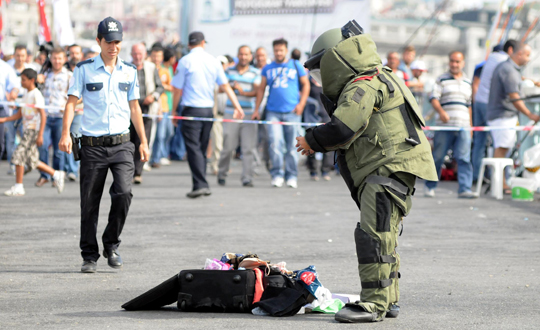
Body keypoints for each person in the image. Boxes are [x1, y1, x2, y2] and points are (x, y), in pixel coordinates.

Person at [297, 21, 437, 322]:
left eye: (322, 69)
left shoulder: (362, 84)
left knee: (372, 236)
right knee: (384, 236)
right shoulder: (380, 76)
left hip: (386, 168)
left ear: (338, 59)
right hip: (395, 168)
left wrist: (310, 140)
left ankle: (373, 304)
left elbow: (343, 127)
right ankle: (388, 299)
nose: (322, 79)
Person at [58, 17, 149, 273]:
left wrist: (143, 141)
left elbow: (135, 108)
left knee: (123, 193)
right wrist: (65, 134)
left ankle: (111, 244)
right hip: (93, 146)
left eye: (117, 41)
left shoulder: (129, 71)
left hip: (122, 144)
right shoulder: (84, 69)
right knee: (89, 202)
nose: (113, 46)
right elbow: (71, 103)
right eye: (109, 41)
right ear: (99, 41)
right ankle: (89, 255)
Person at [171, 31, 244, 198]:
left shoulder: (185, 61)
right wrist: (237, 106)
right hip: (208, 111)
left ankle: (201, 184)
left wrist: (174, 111)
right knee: (202, 148)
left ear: (189, 45)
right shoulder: (213, 61)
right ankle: (199, 183)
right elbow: (225, 86)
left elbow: (177, 90)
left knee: (194, 148)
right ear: (203, 43)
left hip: (191, 109)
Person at [253, 38, 310, 188]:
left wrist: (301, 105)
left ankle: (291, 175)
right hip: (273, 112)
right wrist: (256, 110)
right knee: (275, 143)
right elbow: (261, 89)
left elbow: (306, 85)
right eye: (276, 50)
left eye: (281, 50)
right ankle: (277, 174)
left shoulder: (295, 65)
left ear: (286, 50)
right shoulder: (267, 68)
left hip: (292, 112)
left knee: (292, 145)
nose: (278, 53)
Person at [1, 69, 65, 196]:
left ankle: (19, 186)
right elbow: (20, 113)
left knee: (18, 156)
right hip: (26, 129)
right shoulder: (26, 94)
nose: (21, 82)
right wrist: (4, 119)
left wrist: (40, 134)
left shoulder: (36, 95)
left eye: (23, 80)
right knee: (33, 160)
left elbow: (43, 114)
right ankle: (56, 174)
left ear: (32, 80)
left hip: (32, 130)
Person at [487, 42, 540, 194]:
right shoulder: (508, 69)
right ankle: (500, 185)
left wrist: (532, 81)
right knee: (502, 149)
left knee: (503, 149)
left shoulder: (508, 68)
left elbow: (515, 79)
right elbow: (514, 97)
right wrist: (530, 114)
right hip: (502, 115)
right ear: (516, 53)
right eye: (527, 54)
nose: (528, 59)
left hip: (499, 114)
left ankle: (500, 184)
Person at [424, 51, 476, 199]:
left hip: (463, 126)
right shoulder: (441, 79)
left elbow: (469, 106)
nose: (454, 64)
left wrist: (471, 126)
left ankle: (465, 188)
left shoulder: (467, 82)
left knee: (464, 158)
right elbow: (433, 98)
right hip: (444, 126)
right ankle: (430, 186)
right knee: (438, 157)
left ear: (463, 63)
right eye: (452, 61)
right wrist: (441, 112)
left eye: (457, 62)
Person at [472, 40, 517, 183]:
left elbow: (476, 83)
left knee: (479, 143)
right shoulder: (504, 61)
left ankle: (476, 177)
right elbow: (511, 80)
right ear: (510, 50)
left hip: (478, 102)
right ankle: (500, 180)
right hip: (491, 105)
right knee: (500, 144)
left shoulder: (488, 60)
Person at [217, 45, 261, 187]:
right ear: (238, 55)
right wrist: (230, 87)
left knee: (248, 148)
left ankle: (247, 177)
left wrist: (242, 92)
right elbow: (219, 89)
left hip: (248, 114)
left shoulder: (255, 72)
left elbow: (257, 91)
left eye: (246, 54)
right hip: (231, 114)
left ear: (250, 57)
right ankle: (222, 173)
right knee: (228, 147)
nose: (243, 57)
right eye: (241, 54)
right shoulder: (228, 71)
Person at [36, 47, 71, 188]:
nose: (57, 61)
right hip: (45, 115)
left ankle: (58, 175)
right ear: (51, 59)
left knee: (58, 149)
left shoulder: (69, 75)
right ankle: (45, 175)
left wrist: (68, 105)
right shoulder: (44, 74)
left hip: (60, 116)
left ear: (64, 59)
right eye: (54, 58)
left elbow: (78, 97)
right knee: (42, 146)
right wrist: (37, 81)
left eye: (60, 58)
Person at [130, 43, 164, 184]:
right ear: (132, 55)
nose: (138, 57)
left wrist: (154, 97)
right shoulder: (125, 67)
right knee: (130, 142)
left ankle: (138, 172)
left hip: (147, 109)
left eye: (140, 54)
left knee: (143, 141)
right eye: (135, 54)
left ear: (144, 55)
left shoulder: (151, 68)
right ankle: (129, 170)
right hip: (130, 109)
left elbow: (160, 87)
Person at [149, 47, 174, 168]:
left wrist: (161, 86)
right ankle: (152, 158)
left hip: (164, 106)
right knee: (152, 135)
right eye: (154, 56)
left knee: (163, 134)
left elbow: (172, 87)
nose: (156, 59)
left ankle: (157, 157)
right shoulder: (147, 68)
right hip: (151, 106)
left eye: (159, 56)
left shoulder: (165, 70)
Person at [64, 44, 85, 181]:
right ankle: (65, 168)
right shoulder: (63, 70)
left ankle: (73, 169)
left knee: (75, 137)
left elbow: (84, 93)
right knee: (64, 138)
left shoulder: (84, 69)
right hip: (63, 110)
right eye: (72, 53)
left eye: (77, 53)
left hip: (78, 111)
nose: (74, 55)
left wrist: (72, 102)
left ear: (81, 54)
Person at [0, 53, 20, 164]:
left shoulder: (5, 67)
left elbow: (14, 85)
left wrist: (14, 92)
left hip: (1, 108)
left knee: (0, 142)